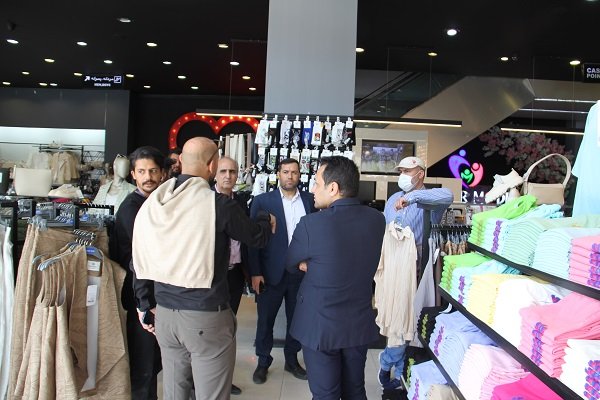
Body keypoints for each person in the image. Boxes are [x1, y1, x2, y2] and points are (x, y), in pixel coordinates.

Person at [131, 137, 275, 400]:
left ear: (181, 161)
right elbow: (257, 236)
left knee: (175, 393)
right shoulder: (217, 204)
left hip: (165, 314)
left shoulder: (155, 202)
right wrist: (266, 219)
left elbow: (138, 258)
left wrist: (144, 303)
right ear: (212, 165)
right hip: (204, 315)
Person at [285, 156, 386, 400]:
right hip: (357, 323)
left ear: (333, 188)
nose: (312, 189)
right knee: (355, 390)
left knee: (325, 394)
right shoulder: (377, 219)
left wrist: (311, 264)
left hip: (320, 325)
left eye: (317, 183)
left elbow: (290, 263)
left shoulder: (311, 224)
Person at [379, 156, 453, 390]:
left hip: (417, 268)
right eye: (400, 171)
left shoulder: (430, 199)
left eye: (407, 171)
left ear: (420, 174)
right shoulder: (392, 199)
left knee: (409, 320)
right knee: (394, 317)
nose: (402, 175)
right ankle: (396, 369)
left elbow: (448, 195)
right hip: (392, 266)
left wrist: (411, 198)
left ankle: (392, 367)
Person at [248, 158, 316, 384]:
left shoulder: (310, 200)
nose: (290, 176)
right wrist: (255, 272)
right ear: (278, 174)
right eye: (285, 172)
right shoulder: (262, 201)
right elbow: (253, 240)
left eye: (294, 172)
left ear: (300, 175)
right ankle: (263, 362)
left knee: (296, 319)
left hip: (301, 273)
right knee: (265, 320)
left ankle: (291, 360)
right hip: (270, 273)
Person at [108, 146, 165, 400]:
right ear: (133, 174)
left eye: (152, 171)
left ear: (162, 173)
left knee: (154, 360)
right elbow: (144, 256)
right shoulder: (131, 207)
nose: (148, 177)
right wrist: (145, 302)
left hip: (156, 292)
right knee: (144, 364)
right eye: (141, 171)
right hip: (141, 295)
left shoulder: (159, 202)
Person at [212, 156, 248, 396]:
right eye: (223, 171)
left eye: (232, 172)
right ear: (214, 173)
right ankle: (202, 380)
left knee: (228, 328)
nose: (228, 176)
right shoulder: (205, 200)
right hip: (212, 276)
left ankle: (224, 378)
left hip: (235, 275)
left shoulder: (242, 203)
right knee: (209, 329)